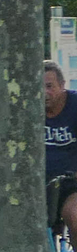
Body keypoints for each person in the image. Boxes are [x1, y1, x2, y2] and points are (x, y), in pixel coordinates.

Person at [47, 62, 77, 240]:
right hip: (38, 185)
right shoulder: (27, 109)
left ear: (62, 85)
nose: (44, 93)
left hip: (71, 184)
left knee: (74, 215)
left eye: (49, 86)